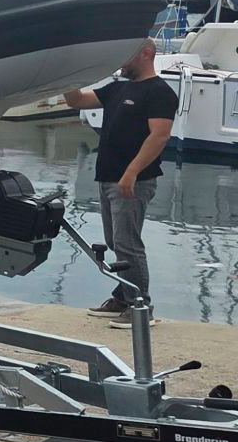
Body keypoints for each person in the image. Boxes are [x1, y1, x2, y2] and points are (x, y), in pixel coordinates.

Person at [63, 40, 178, 318]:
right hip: (107, 177)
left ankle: (141, 307)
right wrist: (65, 76)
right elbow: (77, 100)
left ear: (146, 53)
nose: (121, 62)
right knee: (115, 241)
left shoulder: (160, 92)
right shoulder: (118, 88)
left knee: (128, 243)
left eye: (126, 56)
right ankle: (123, 296)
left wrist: (132, 171)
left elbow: (159, 135)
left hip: (133, 180)